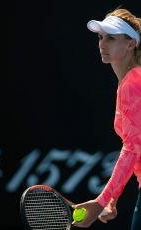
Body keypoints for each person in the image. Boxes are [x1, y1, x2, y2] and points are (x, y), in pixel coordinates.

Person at [72, 8, 141, 230]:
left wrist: (102, 200)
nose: (102, 44)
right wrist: (112, 198)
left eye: (111, 38)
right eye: (101, 37)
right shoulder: (133, 80)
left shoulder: (132, 84)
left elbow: (132, 147)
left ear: (131, 43)